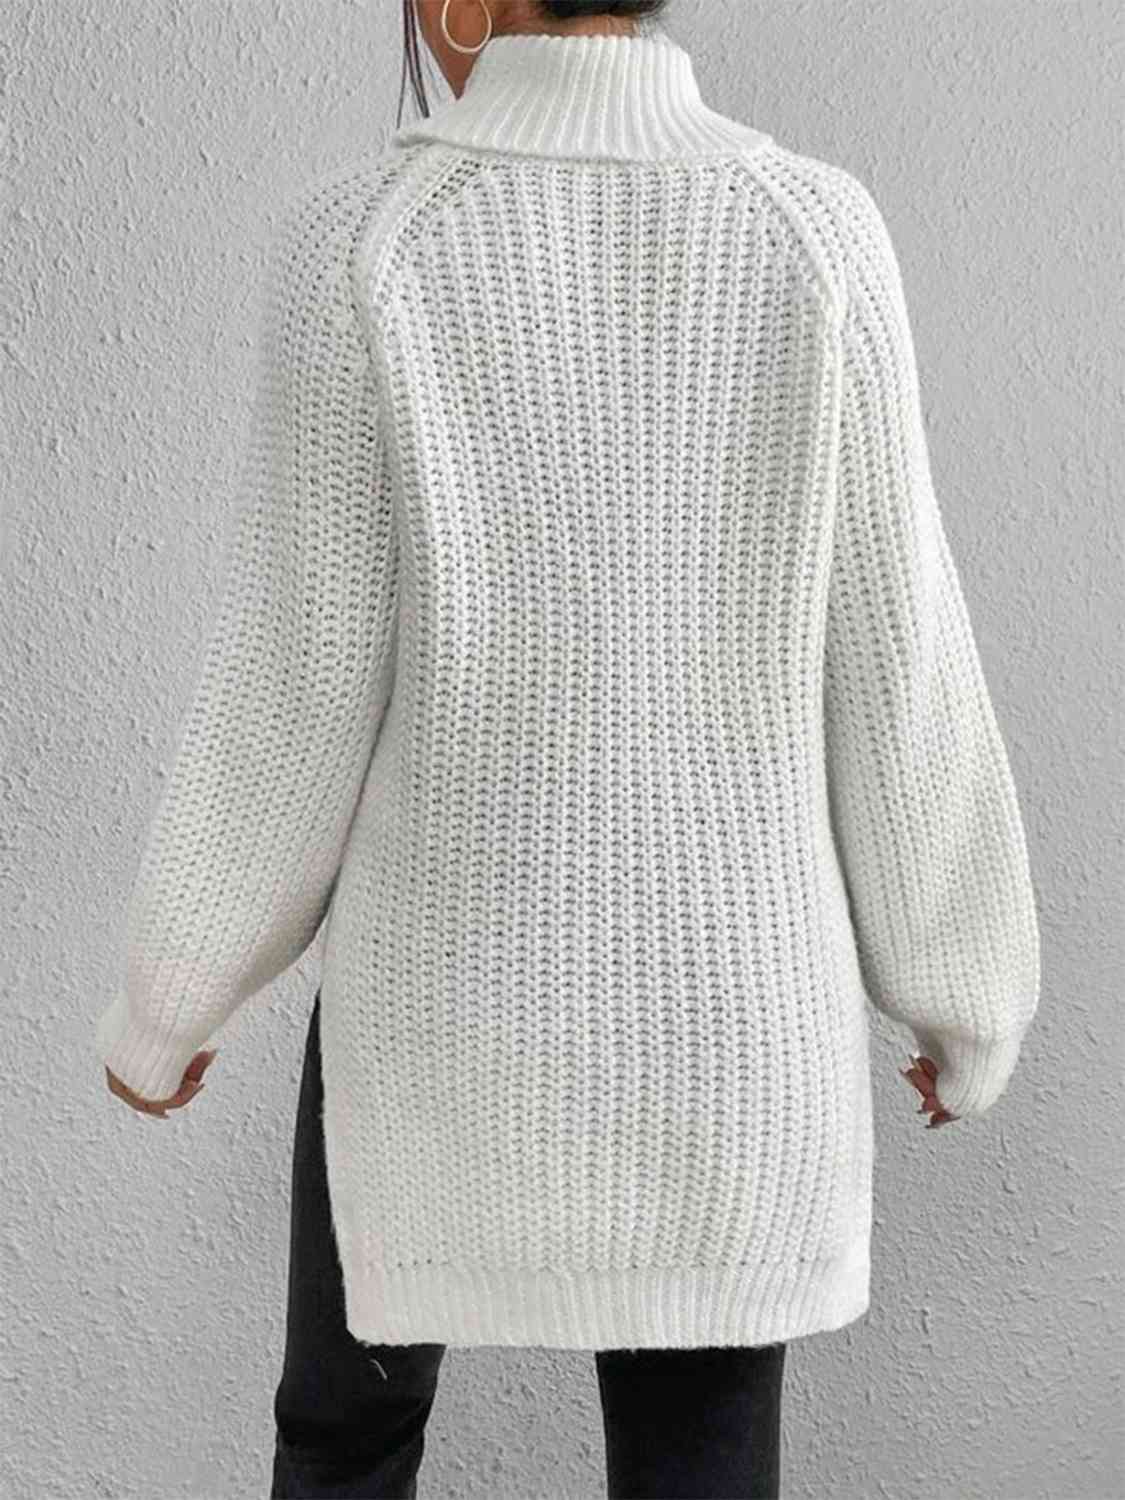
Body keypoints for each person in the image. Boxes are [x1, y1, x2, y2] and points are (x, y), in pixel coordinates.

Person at [97, 0, 1042, 1496]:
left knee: (344, 1444)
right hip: (733, 1035)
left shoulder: (361, 245)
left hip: (435, 1021)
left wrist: (170, 1001)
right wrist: (962, 998)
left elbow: (293, 681)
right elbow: (897, 657)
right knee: (698, 1470)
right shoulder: (816, 234)